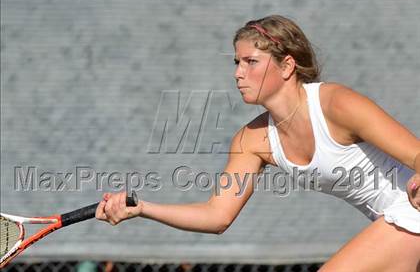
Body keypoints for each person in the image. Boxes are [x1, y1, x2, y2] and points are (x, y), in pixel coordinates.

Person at [96, 15, 420, 271]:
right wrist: (142, 208)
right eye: (236, 63)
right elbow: (216, 215)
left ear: (287, 66)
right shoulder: (253, 140)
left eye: (250, 62)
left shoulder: (335, 104)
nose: (238, 73)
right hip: (393, 223)